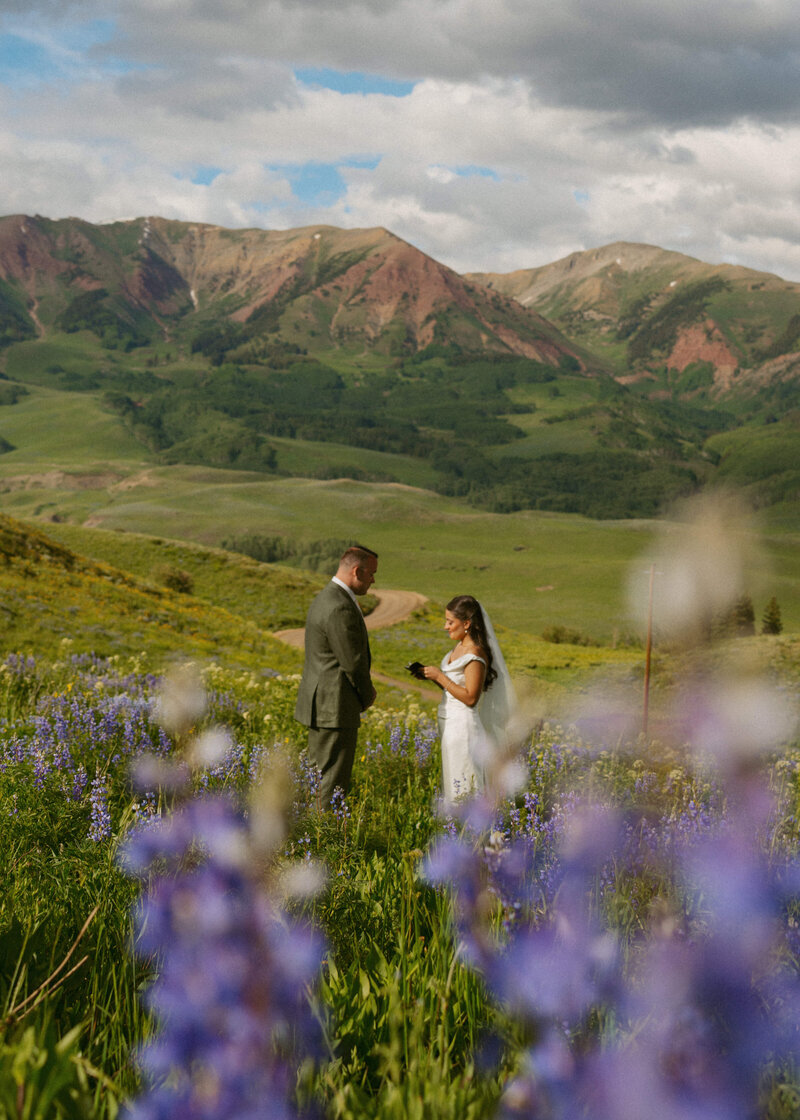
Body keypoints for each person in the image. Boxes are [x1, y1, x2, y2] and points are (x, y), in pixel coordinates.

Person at [294, 544, 378, 803]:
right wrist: (367, 696)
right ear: (357, 571)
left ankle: (311, 833)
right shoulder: (339, 605)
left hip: (324, 705)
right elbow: (352, 663)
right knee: (330, 782)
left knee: (318, 777)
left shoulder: (326, 597)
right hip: (334, 706)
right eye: (372, 573)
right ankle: (321, 836)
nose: (374, 580)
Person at [422, 595, 515, 804]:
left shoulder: (475, 653)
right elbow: (454, 690)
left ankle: (473, 832)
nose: (445, 627)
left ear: (467, 623)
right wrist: (432, 678)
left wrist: (440, 676)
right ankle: (459, 827)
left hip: (464, 727)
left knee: (465, 781)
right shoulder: (457, 648)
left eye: (450, 622)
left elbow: (471, 698)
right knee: (454, 780)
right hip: (450, 724)